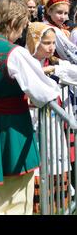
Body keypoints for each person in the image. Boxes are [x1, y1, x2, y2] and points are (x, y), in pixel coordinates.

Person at [0, 0, 60, 215]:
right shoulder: (14, 53)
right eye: (21, 28)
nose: (21, 34)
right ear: (11, 24)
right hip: (12, 128)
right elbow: (43, 93)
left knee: (0, 193)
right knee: (15, 199)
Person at [26, 22, 77, 213]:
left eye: (53, 43)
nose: (51, 47)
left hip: (52, 122)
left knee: (54, 155)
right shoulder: (26, 62)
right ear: (34, 42)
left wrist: (54, 70)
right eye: (46, 43)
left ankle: (56, 201)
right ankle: (35, 202)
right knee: (38, 159)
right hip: (31, 121)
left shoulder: (55, 63)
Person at [43, 0, 77, 64]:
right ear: (49, 11)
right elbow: (72, 55)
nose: (63, 17)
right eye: (59, 12)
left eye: (65, 13)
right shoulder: (54, 30)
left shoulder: (55, 27)